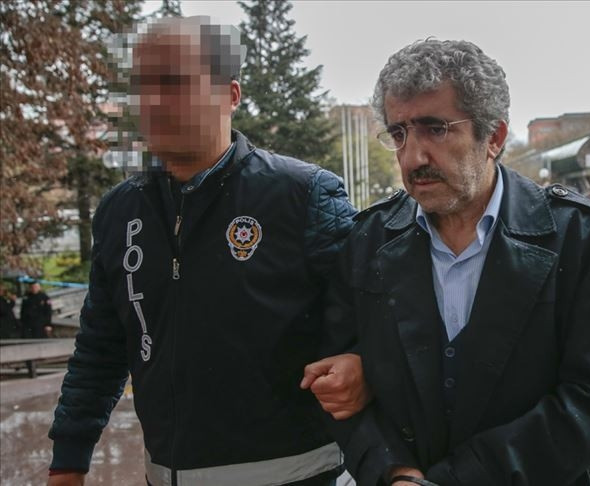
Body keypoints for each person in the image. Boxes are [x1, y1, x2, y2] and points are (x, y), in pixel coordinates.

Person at [47, 17, 363, 486]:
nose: (153, 101)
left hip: (295, 476)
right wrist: (69, 460)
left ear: (230, 95)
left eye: (174, 82)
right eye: (142, 86)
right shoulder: (119, 211)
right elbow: (101, 346)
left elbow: (373, 317)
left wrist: (363, 365)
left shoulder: (304, 195)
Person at [306, 39, 590, 486]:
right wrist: (393, 471)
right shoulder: (368, 239)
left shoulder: (574, 236)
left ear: (494, 137)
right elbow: (339, 387)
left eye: (435, 129)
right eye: (399, 134)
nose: (412, 157)